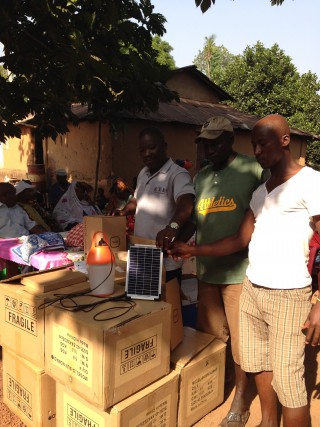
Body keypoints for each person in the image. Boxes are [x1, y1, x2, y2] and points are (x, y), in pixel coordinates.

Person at [171, 114, 320, 427]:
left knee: (290, 385)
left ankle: (260, 409)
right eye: (254, 145)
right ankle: (267, 421)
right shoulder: (260, 193)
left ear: (285, 140)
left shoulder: (311, 181)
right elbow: (239, 238)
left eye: (263, 143)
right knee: (259, 363)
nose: (258, 151)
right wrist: (190, 248)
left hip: (287, 293)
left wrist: (319, 301)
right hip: (253, 288)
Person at [187, 115, 266, 427]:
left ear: (230, 139)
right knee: (214, 335)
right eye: (206, 143)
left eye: (216, 142)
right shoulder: (202, 176)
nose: (210, 149)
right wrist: (175, 230)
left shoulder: (254, 170)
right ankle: (221, 382)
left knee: (243, 341)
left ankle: (241, 400)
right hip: (207, 272)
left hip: (239, 272)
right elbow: (195, 218)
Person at [124, 127, 195, 282]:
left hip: (165, 262)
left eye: (151, 147)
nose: (147, 153)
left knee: (169, 305)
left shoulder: (177, 174)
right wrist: (122, 212)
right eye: (142, 150)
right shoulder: (143, 173)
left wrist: (172, 227)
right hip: (141, 256)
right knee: (143, 304)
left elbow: (186, 202)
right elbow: (137, 201)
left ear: (164, 146)